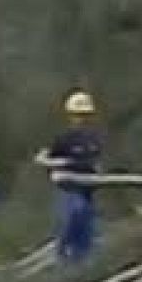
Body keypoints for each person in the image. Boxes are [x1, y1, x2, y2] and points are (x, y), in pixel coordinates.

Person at [35, 91, 104, 264]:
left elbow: (96, 161)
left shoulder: (94, 139)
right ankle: (63, 258)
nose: (83, 120)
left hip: (87, 191)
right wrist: (62, 162)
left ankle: (81, 266)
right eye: (79, 116)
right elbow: (42, 159)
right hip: (69, 190)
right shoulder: (64, 139)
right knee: (73, 217)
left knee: (87, 228)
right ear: (71, 116)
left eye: (86, 116)